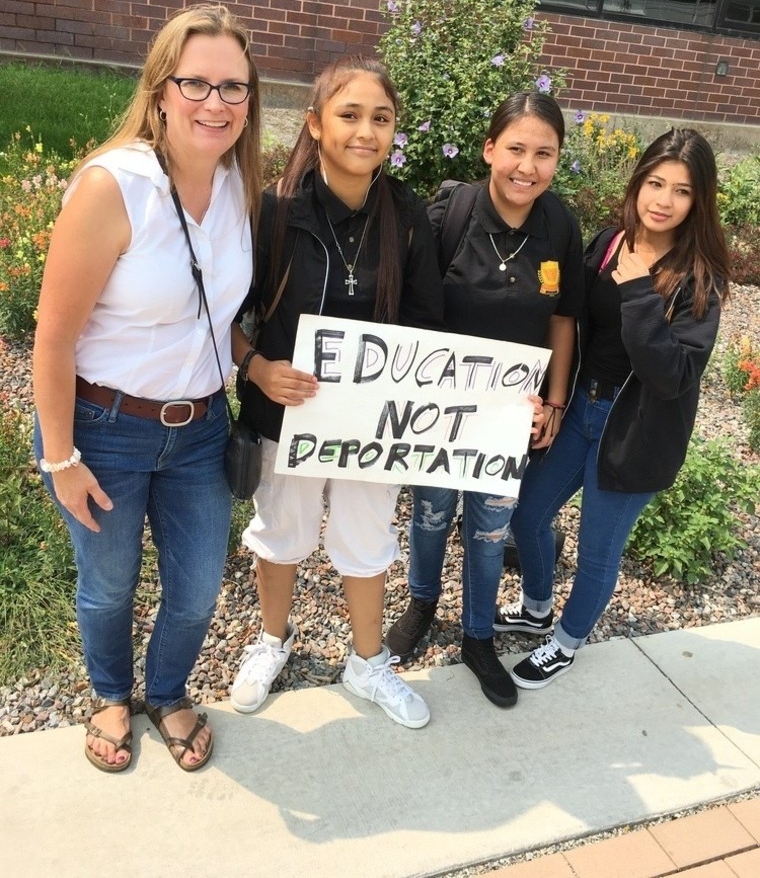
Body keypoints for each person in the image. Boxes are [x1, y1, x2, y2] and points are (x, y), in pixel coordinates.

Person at [33, 4, 262, 771]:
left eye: (235, 87)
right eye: (196, 82)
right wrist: (61, 457)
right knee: (109, 586)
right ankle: (108, 691)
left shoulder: (236, 184)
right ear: (161, 89)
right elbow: (54, 336)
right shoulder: (114, 185)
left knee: (197, 590)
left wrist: (255, 365)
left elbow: (214, 311)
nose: (216, 102)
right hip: (105, 426)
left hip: (198, 430)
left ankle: (166, 691)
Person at [229, 56, 443, 729]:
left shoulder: (408, 216)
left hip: (371, 426)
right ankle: (272, 640)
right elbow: (228, 317)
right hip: (283, 413)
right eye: (349, 115)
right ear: (317, 125)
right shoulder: (274, 212)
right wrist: (258, 368)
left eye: (381, 118)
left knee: (365, 536)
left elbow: (428, 329)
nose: (366, 131)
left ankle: (366, 661)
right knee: (281, 531)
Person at [496, 128, 730, 689]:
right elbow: (571, 321)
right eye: (655, 182)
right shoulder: (606, 243)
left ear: (698, 202)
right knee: (527, 514)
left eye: (681, 191)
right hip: (582, 409)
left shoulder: (701, 279)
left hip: (638, 433)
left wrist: (640, 292)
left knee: (599, 549)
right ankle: (536, 610)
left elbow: (672, 374)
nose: (663, 200)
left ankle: (566, 642)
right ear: (638, 181)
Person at [385, 91, 585, 707]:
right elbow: (414, 307)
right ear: (490, 148)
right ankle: (421, 604)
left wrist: (553, 402)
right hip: (442, 409)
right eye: (516, 149)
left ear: (557, 161)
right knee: (432, 513)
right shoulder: (453, 213)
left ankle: (477, 635)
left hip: (510, 413)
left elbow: (564, 318)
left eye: (544, 154)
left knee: (491, 529)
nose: (528, 167)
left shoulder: (561, 225)